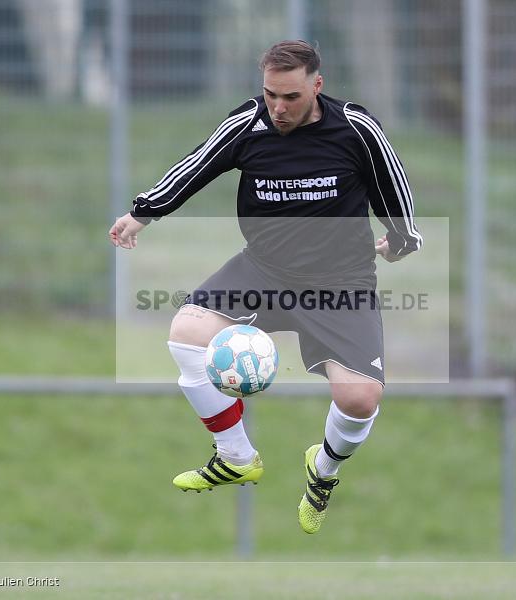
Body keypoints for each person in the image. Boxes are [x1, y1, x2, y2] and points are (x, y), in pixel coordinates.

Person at [109, 40, 422, 534]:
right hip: (265, 271)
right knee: (186, 335)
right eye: (271, 94)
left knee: (360, 400)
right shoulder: (248, 124)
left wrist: (402, 238)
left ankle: (323, 470)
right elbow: (197, 165)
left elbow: (391, 185)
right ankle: (235, 456)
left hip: (341, 282)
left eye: (291, 97)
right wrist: (143, 213)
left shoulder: (355, 129)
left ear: (317, 86)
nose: (278, 108)